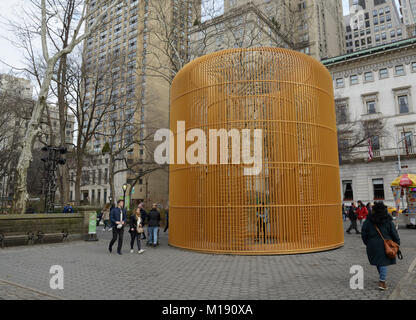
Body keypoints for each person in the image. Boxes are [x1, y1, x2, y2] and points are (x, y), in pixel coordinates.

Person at [361, 201, 401, 291]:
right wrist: (397, 243)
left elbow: (363, 233)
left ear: (374, 210)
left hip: (372, 245)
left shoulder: (368, 220)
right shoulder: (388, 221)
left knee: (379, 262)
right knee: (383, 263)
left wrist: (367, 242)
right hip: (385, 244)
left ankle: (381, 278)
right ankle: (382, 282)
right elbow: (394, 233)